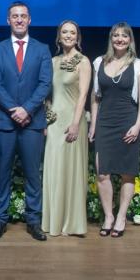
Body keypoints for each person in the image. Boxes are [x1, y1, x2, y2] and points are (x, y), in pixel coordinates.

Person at [0, 1, 53, 241]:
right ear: (8, 20)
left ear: (29, 19)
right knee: (1, 174)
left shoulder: (42, 49)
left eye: (23, 16)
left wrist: (27, 109)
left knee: (33, 175)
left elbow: (45, 83)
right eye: (15, 16)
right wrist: (14, 109)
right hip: (4, 122)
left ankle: (33, 221)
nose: (19, 19)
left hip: (32, 123)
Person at [89, 22, 140, 238]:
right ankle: (108, 216)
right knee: (102, 173)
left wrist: (138, 125)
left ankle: (121, 217)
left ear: (130, 40)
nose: (120, 39)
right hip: (105, 122)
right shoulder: (99, 62)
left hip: (127, 121)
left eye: (124, 36)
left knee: (126, 173)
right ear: (111, 39)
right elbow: (95, 97)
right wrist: (93, 124)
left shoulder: (138, 65)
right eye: (116, 35)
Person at [41, 20, 91, 237]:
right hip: (54, 124)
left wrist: (75, 123)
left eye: (72, 32)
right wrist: (47, 116)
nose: (69, 35)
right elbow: (47, 93)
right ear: (59, 36)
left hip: (73, 122)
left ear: (77, 37)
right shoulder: (52, 61)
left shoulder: (84, 61)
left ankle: (72, 223)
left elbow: (83, 95)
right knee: (54, 171)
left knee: (71, 172)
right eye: (65, 32)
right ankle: (53, 222)